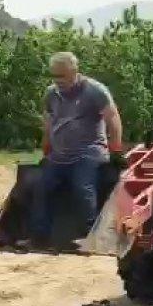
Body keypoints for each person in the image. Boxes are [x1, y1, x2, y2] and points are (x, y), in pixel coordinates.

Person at [29, 51, 123, 246]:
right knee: (41, 187)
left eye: (62, 75)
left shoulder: (94, 91)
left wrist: (115, 149)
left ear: (74, 71)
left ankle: (89, 236)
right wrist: (46, 148)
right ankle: (39, 236)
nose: (58, 80)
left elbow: (112, 118)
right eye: (54, 76)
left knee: (83, 187)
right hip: (60, 155)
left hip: (89, 151)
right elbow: (48, 123)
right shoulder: (51, 94)